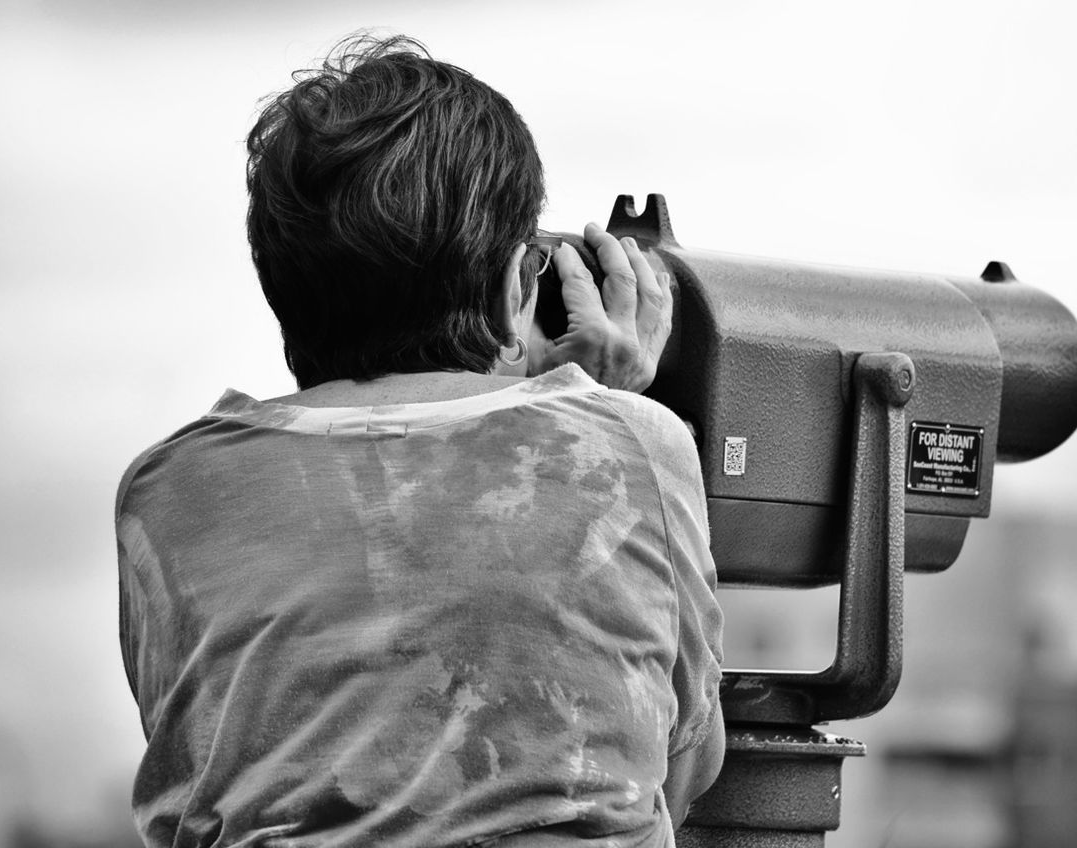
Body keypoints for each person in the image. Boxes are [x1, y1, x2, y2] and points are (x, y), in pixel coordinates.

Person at [115, 33, 724, 847]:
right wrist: (594, 407)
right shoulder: (631, 448)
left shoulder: (170, 489)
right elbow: (676, 764)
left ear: (279, 281)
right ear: (518, 281)